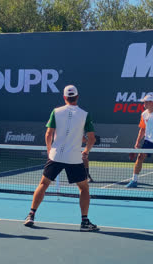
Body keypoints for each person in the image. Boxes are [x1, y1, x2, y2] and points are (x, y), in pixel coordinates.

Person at [24, 85, 99, 232]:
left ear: (64, 97)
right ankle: (84, 221)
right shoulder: (85, 114)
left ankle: (31, 215)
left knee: (43, 184)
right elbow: (92, 138)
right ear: (77, 97)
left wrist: (49, 150)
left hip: (56, 155)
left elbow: (48, 134)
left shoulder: (56, 112)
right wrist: (86, 152)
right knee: (84, 188)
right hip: (74, 157)